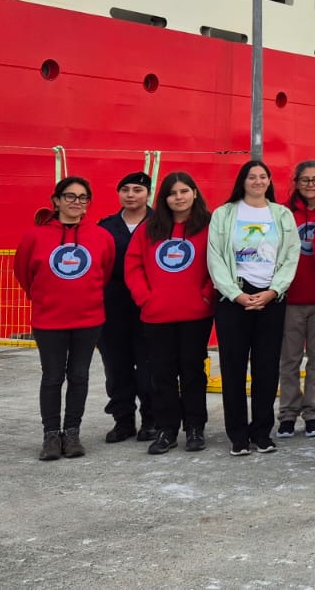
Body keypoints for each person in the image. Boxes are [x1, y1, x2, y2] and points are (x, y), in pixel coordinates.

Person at [14, 176, 115, 461]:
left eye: (83, 197)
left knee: (79, 376)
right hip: (49, 320)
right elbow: (23, 272)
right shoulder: (35, 237)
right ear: (56, 201)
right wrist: (45, 298)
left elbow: (104, 272)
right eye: (70, 196)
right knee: (52, 377)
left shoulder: (101, 237)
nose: (76, 202)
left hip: (88, 319)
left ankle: (72, 433)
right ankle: (50, 435)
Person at [208, 159, 299, 456]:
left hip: (271, 299)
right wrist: (235, 294)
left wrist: (274, 290)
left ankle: (262, 432)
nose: (258, 181)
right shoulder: (224, 214)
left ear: (269, 181)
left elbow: (291, 255)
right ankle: (237, 434)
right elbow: (215, 258)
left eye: (263, 176)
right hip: (233, 300)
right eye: (252, 177)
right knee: (233, 367)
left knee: (266, 367)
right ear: (242, 181)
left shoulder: (282, 215)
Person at [124, 172, 215, 454]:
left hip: (196, 314)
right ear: (164, 198)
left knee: (193, 372)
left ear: (194, 193)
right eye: (172, 193)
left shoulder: (210, 226)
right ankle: (167, 429)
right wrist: (145, 298)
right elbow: (133, 265)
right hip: (157, 314)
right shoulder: (149, 229)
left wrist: (206, 295)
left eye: (184, 191)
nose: (179, 197)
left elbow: (220, 262)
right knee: (161, 374)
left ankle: (195, 427)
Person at [278, 160, 315, 440]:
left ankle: (313, 414)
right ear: (297, 183)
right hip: (291, 298)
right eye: (305, 180)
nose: (311, 184)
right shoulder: (283, 213)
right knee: (289, 360)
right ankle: (288, 414)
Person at [95, 172, 154, 444]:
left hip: (149, 306)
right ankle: (123, 420)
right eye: (125, 189)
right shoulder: (105, 227)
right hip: (113, 306)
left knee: (149, 367)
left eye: (137, 190)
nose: (131, 195)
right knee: (116, 367)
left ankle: (151, 419)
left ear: (148, 194)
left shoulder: (159, 224)